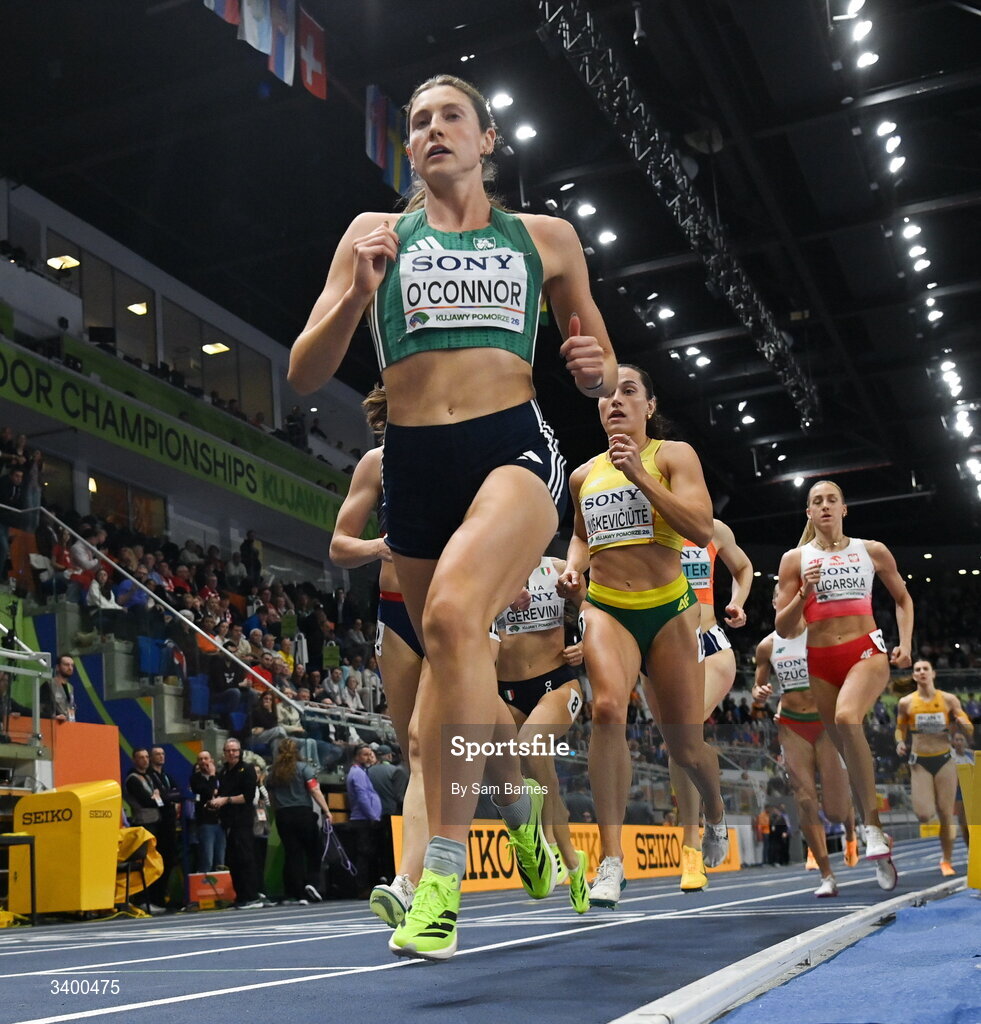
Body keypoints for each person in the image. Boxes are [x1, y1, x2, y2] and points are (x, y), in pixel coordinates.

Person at [290, 72, 617, 961]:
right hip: (416, 468)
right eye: (418, 122)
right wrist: (356, 294)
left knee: (446, 616)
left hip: (510, 446)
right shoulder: (373, 236)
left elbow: (600, 366)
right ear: (408, 148)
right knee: (450, 662)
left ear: (486, 142)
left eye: (450, 118)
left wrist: (593, 372)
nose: (433, 130)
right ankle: (518, 811)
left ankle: (439, 880)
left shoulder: (544, 238)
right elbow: (303, 372)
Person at [557, 364, 728, 909]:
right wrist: (571, 569)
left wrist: (641, 477)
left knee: (686, 745)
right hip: (607, 608)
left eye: (628, 392)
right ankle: (610, 860)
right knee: (607, 709)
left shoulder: (673, 456)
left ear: (649, 406)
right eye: (606, 395)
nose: (615, 402)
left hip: (670, 611)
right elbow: (582, 539)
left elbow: (701, 530)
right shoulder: (583, 476)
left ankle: (716, 813)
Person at [775, 479, 913, 890]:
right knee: (849, 754)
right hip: (820, 663)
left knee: (848, 717)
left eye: (832, 499)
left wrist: (905, 644)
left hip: (866, 652)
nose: (825, 506)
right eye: (817, 501)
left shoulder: (871, 551)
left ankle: (871, 829)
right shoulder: (794, 560)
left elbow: (903, 599)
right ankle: (875, 831)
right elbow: (783, 628)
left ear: (844, 508)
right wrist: (804, 592)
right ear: (809, 513)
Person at [328, 385, 428, 928]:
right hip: (395, 612)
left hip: (451, 606)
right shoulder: (378, 462)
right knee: (415, 752)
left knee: (435, 743)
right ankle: (415, 880)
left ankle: (519, 818)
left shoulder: (462, 450)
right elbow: (340, 545)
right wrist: (381, 547)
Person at [496, 554, 590, 914]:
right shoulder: (493, 564)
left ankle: (547, 844)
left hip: (557, 684)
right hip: (506, 690)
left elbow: (596, 610)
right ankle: (573, 862)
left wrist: (585, 641)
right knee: (525, 773)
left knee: (530, 747)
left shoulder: (559, 566)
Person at [753, 594, 858, 898]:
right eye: (778, 599)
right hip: (791, 725)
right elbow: (757, 691)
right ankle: (826, 874)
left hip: (825, 724)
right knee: (804, 798)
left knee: (836, 811)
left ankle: (851, 831)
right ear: (775, 604)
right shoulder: (768, 646)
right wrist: (759, 695)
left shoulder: (822, 633)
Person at [673, 519, 753, 891]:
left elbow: (742, 566)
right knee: (678, 745)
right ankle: (710, 817)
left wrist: (736, 601)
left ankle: (699, 835)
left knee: (682, 734)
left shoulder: (711, 528)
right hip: (661, 646)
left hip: (708, 641)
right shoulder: (641, 520)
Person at [895, 658, 974, 875]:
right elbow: (900, 728)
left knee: (946, 813)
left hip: (944, 759)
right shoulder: (906, 702)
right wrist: (900, 742)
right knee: (924, 814)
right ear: (913, 676)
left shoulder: (948, 699)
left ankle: (946, 860)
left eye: (925, 669)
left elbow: (963, 719)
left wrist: (965, 726)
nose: (921, 672)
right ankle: (945, 853)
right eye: (917, 670)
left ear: (933, 673)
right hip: (920, 760)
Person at [266, 738, 331, 905]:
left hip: (283, 815)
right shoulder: (304, 768)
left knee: (292, 854)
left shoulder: (272, 772)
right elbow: (314, 790)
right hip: (303, 813)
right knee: (313, 851)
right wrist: (326, 810)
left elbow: (271, 798)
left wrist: (277, 812)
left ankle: (295, 892)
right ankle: (312, 883)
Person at [211, 738, 262, 909]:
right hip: (228, 822)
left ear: (240, 752)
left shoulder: (247, 769)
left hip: (243, 821)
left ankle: (251, 896)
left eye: (234, 750)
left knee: (245, 858)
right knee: (233, 860)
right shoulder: (223, 771)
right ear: (224, 753)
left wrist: (226, 800)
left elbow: (247, 797)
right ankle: (240, 896)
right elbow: (220, 792)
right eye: (228, 750)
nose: (231, 753)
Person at [149, 745, 182, 908]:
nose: (161, 757)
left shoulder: (167, 776)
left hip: (170, 825)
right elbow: (160, 797)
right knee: (157, 863)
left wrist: (166, 796)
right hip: (157, 825)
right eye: (157, 754)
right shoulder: (149, 776)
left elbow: (177, 794)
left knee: (169, 862)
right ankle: (153, 898)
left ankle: (162, 897)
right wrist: (168, 796)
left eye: (162, 754)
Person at [189, 749, 225, 873]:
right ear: (197, 763)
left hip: (221, 822)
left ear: (211, 760)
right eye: (200, 759)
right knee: (207, 859)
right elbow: (209, 792)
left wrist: (214, 784)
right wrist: (212, 776)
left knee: (220, 860)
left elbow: (222, 793)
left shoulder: (221, 776)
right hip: (205, 823)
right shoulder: (195, 779)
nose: (203, 761)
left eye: (206, 758)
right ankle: (205, 888)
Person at [951, 731, 975, 850]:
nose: (959, 742)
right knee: (963, 822)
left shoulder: (971, 755)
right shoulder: (951, 757)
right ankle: (969, 848)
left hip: (974, 790)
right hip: (959, 791)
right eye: (957, 740)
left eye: (961, 740)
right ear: (953, 742)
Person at [39, 653, 76, 721]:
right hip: (54, 725)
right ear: (58, 667)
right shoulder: (48, 684)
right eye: (66, 665)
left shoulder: (70, 687)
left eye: (72, 665)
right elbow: (42, 709)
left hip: (69, 725)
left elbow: (71, 706)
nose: (70, 668)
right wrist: (53, 717)